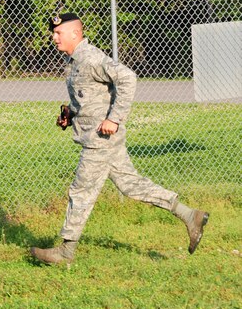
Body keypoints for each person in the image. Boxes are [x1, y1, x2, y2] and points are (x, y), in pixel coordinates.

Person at [30, 13, 209, 265]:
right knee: (131, 185)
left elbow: (128, 78)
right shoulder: (74, 62)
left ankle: (65, 252)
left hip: (99, 140)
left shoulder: (91, 58)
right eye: (54, 33)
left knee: (81, 191)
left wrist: (114, 118)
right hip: (99, 137)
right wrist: (70, 114)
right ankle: (190, 215)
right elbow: (88, 97)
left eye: (58, 33)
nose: (54, 37)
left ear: (75, 34)